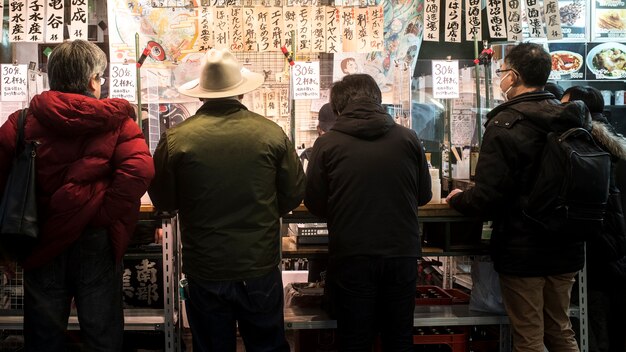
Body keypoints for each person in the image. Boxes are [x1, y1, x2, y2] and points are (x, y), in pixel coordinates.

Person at [0, 39, 154, 351]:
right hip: (94, 241)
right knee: (102, 334)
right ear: (91, 80)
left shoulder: (21, 122)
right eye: (100, 77)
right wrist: (99, 213)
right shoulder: (118, 122)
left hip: (38, 238)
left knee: (44, 337)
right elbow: (139, 170)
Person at [148, 48, 305, 352]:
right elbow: (294, 193)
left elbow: (164, 199)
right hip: (258, 264)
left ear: (202, 95)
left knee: (211, 347)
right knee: (267, 346)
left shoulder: (177, 138)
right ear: (241, 93)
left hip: (205, 266)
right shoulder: (271, 134)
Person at [445, 42, 589, 352]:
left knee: (529, 337)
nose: (500, 79)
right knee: (561, 330)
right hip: (568, 243)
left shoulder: (505, 124)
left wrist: (457, 198)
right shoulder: (571, 116)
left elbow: (487, 197)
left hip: (524, 248)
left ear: (513, 76)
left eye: (502, 72)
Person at [304, 73, 432, 351]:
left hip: (352, 253)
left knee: (355, 338)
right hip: (401, 253)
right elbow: (424, 196)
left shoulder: (326, 144)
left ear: (338, 109)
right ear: (378, 100)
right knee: (399, 337)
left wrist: (343, 208)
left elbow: (314, 203)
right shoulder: (408, 138)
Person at [561, 86, 626, 352]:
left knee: (593, 319)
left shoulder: (585, 144)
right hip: (615, 248)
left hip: (599, 247)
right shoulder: (614, 143)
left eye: (564, 105)